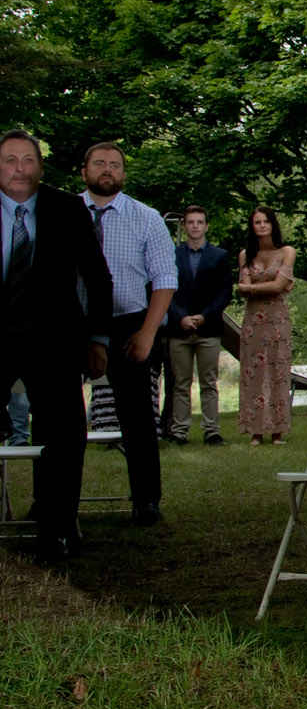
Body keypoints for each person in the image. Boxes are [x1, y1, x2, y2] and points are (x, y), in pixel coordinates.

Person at [0, 131, 112, 563]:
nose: (19, 169)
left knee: (65, 435)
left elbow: (98, 279)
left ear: (40, 167)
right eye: (9, 161)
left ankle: (58, 531)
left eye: (28, 160)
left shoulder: (66, 209)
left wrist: (99, 339)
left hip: (54, 342)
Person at [80, 142, 176, 526]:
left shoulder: (146, 217)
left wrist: (148, 333)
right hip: (71, 323)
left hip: (129, 324)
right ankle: (50, 499)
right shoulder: (65, 213)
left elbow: (166, 279)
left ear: (123, 173)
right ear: (84, 170)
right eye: (99, 163)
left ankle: (146, 500)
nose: (107, 170)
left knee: (138, 418)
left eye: (115, 165)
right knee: (56, 416)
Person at [165, 204, 233, 446]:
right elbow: (165, 290)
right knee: (180, 383)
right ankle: (179, 431)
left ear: (206, 226)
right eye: (190, 222)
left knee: (209, 382)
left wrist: (204, 316)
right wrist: (180, 316)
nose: (195, 226)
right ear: (184, 225)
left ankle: (211, 431)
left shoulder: (219, 256)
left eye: (199, 222)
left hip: (209, 329)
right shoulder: (171, 254)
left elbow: (225, 293)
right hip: (178, 328)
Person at [237, 205, 295, 446]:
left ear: (272, 224)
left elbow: (279, 285)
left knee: (277, 372)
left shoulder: (287, 251)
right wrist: (254, 288)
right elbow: (242, 288)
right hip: (253, 322)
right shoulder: (245, 255)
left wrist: (252, 287)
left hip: (277, 320)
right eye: (256, 222)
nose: (261, 226)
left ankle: (278, 430)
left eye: (265, 222)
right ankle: (255, 430)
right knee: (253, 372)